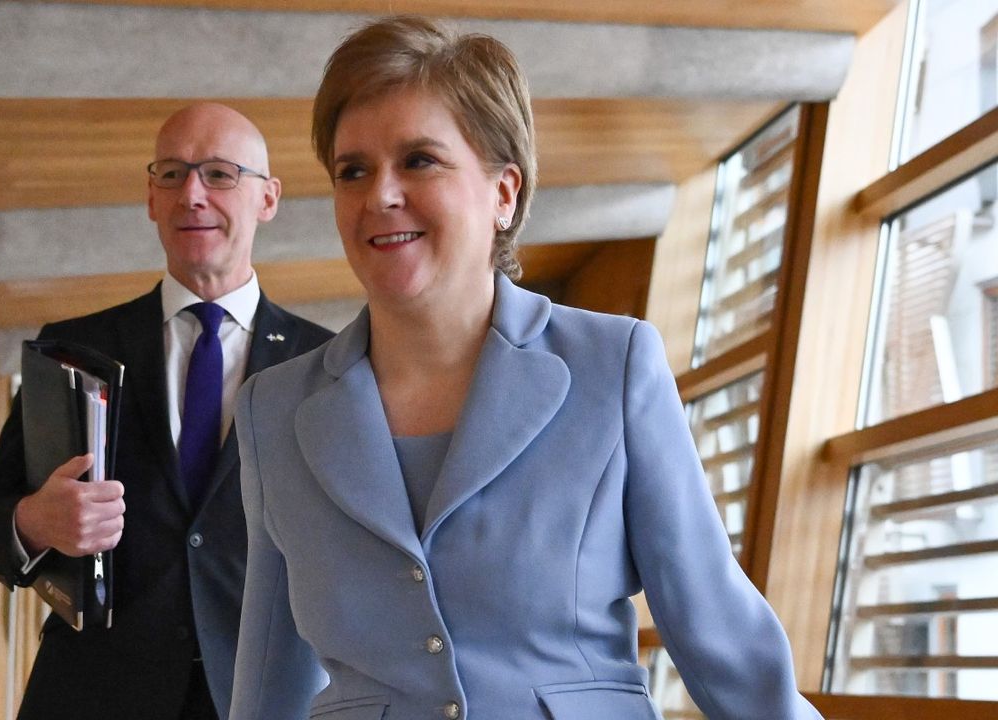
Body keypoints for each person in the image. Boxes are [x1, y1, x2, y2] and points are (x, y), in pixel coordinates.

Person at [228, 16, 823, 720]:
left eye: (419, 160)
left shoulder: (613, 367)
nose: (379, 195)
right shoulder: (272, 409)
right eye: (352, 170)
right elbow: (268, 677)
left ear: (504, 193)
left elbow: (721, 638)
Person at [0, 102, 333, 720]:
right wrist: (35, 522)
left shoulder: (325, 364)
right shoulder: (74, 350)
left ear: (268, 198)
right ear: (150, 198)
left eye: (218, 174)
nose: (192, 194)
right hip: (93, 694)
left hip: (265, 699)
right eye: (171, 174)